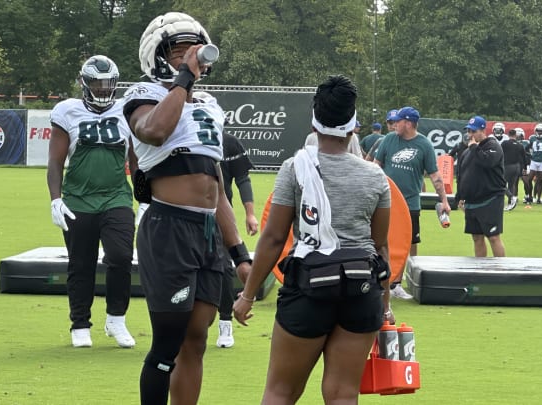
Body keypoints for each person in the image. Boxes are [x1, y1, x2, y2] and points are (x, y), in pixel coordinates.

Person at [233, 75, 392, 404]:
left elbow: (275, 237)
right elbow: (380, 248)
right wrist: (385, 305)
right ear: (352, 126)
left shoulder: (295, 167)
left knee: (281, 392)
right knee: (343, 395)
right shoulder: (375, 176)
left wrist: (247, 296)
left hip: (309, 288)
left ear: (314, 123)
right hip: (362, 291)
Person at [122, 12, 252, 404]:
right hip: (168, 226)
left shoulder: (210, 106)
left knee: (197, 339)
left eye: (194, 50)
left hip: (207, 232)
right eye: (180, 51)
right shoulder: (141, 95)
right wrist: (183, 80)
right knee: (168, 341)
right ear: (157, 55)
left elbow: (217, 189)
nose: (190, 57)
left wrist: (239, 254)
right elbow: (153, 131)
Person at [47, 55, 136, 348]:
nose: (102, 90)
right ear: (85, 84)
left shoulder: (126, 111)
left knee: (121, 257)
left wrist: (144, 197)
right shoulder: (67, 111)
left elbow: (136, 161)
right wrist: (56, 199)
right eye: (96, 84)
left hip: (116, 196)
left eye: (107, 84)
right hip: (78, 200)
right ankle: (80, 322)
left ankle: (117, 318)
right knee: (81, 263)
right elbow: (56, 162)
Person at [373, 106, 451, 299]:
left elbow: (435, 176)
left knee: (409, 242)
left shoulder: (424, 144)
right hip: (385, 202)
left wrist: (444, 201)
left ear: (408, 123)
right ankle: (379, 281)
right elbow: (376, 166)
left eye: (398, 122)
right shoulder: (389, 139)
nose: (394, 125)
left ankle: (398, 283)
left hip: (410, 203)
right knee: (380, 240)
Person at [204, 111, 259, 348]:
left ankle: (225, 323)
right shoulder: (182, 139)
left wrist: (249, 213)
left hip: (220, 214)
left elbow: (242, 179)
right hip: (186, 214)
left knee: (225, 268)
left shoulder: (229, 142)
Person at [456, 116, 506, 257]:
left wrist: (474, 147)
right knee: (477, 237)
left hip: (491, 198)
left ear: (483, 130)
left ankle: (502, 272)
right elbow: (462, 174)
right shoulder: (467, 152)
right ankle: (480, 271)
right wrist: (460, 195)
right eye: (469, 131)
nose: (470, 135)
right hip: (473, 201)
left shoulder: (493, 146)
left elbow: (487, 162)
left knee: (493, 236)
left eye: (473, 131)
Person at [500, 129, 527, 211]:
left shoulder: (504, 143)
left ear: (508, 135)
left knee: (500, 184)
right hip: (517, 167)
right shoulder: (520, 145)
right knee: (512, 185)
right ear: (515, 135)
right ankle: (510, 204)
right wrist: (525, 168)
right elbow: (524, 158)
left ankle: (511, 197)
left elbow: (500, 153)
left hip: (507, 166)